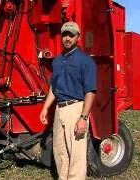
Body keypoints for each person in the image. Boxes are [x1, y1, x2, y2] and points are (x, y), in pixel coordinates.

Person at [40, 22, 97, 180]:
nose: (67, 38)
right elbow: (53, 87)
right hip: (59, 109)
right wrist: (45, 108)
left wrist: (83, 118)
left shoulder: (86, 61)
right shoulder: (57, 61)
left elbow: (90, 91)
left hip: (76, 109)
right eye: (65, 34)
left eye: (71, 35)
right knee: (60, 152)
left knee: (76, 155)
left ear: (78, 37)